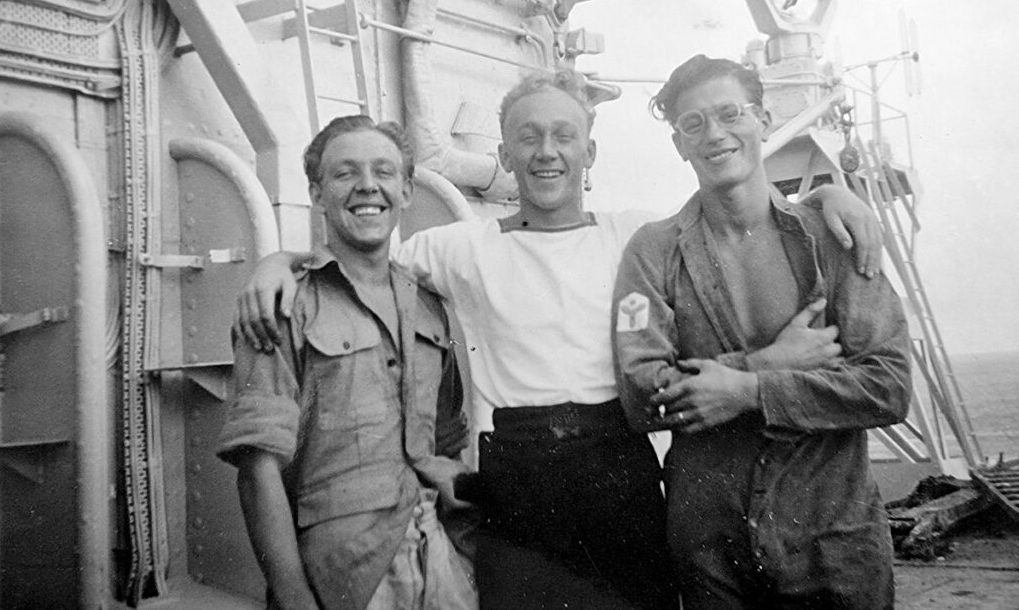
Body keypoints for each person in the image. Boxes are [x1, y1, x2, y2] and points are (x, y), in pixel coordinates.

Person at [235, 70, 882, 608]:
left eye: (564, 136)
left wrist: (827, 193)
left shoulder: (636, 236)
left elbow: (733, 201)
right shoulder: (459, 247)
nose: (547, 151)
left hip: (618, 464)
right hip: (517, 477)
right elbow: (362, 256)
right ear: (506, 154)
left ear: (588, 153)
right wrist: (280, 261)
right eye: (528, 137)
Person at [612, 55, 911, 609]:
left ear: (765, 121)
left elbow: (889, 385)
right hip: (711, 551)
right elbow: (639, 395)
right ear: (679, 144)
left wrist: (746, 393)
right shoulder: (652, 253)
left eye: (731, 114)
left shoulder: (834, 237)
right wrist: (767, 364)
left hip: (833, 544)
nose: (715, 134)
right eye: (693, 124)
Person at [217, 116, 477, 609]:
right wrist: (293, 598)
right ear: (317, 193)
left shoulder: (428, 303)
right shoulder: (283, 305)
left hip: (442, 562)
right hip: (347, 576)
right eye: (344, 174)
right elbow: (257, 470)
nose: (367, 186)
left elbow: (446, 442)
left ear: (404, 191)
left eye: (383, 171)